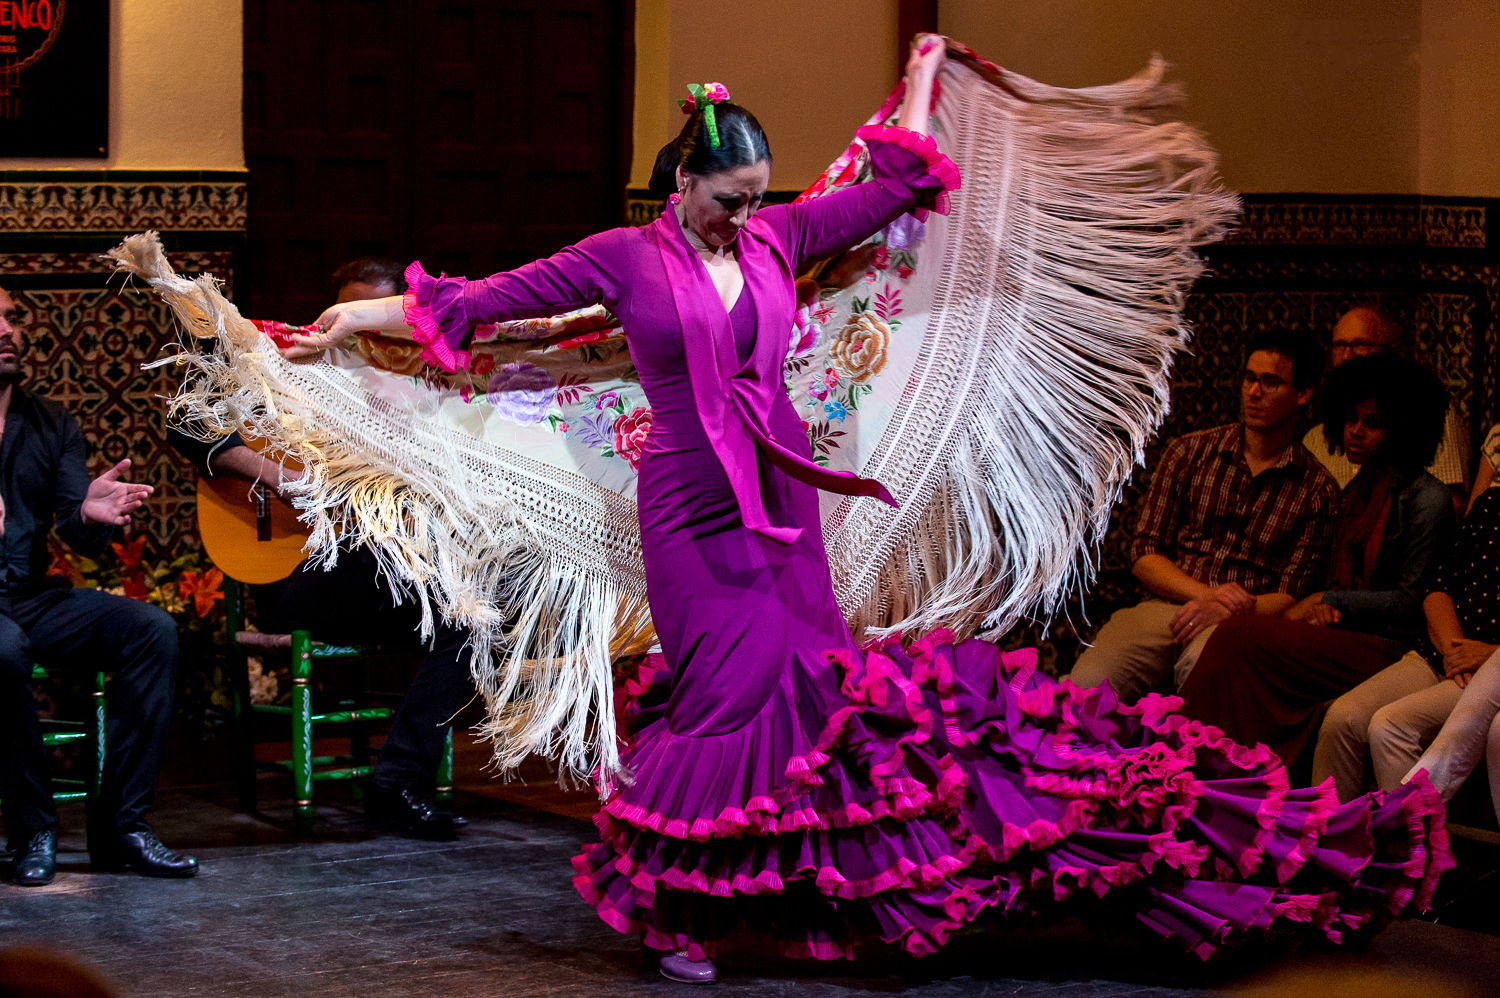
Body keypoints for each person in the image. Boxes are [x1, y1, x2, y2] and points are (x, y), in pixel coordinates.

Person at [283, 41, 1448, 979]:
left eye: (757, 198)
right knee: (731, 695)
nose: (746, 215)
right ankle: (682, 910)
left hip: (786, 495)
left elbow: (897, 189)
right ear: (681, 182)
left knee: (815, 692)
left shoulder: (784, 232)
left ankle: (813, 895)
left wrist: (938, 77)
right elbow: (483, 303)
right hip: (689, 505)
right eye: (726, 198)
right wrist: (350, 325)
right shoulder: (623, 257)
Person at [168, 258, 474, 839]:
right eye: (350, 320)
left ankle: (396, 780)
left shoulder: (424, 388)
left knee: (479, 619)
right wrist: (284, 480)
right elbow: (187, 422)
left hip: (381, 577)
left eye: (376, 324)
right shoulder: (288, 372)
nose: (362, 338)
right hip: (298, 577)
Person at [0, 285, 198, 885]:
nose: (6, 329)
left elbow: (74, 528)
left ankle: (123, 827)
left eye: (10, 317)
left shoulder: (51, 422)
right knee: (1, 649)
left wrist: (87, 514)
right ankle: (32, 826)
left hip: (26, 595)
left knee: (150, 630)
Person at [1179, 354, 1455, 782]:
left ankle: (1191, 767)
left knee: (1239, 634)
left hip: (1392, 646)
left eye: (1373, 422)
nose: (1355, 432)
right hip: (1343, 634)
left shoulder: (1427, 499)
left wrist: (1329, 599)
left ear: (1402, 428)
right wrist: (1323, 606)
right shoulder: (1354, 489)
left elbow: (1409, 603)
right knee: (1239, 639)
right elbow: (1334, 578)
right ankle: (1214, 773)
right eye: (1350, 418)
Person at [1068, 329, 1339, 704]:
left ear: (1303, 393)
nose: (1253, 392)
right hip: (1170, 605)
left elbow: (1290, 593)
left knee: (1202, 688)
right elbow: (1145, 555)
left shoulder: (1316, 489)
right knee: (1085, 690)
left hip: (1245, 625)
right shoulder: (1191, 452)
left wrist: (1228, 611)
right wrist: (1208, 596)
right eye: (1249, 378)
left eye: (1270, 382)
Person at [1311, 482, 1500, 808]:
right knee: (1341, 720)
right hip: (1444, 651)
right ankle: (1329, 845)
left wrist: (1487, 657)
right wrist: (1454, 651)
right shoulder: (1493, 504)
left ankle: (1412, 852)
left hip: (1492, 670)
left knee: (1390, 727)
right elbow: (1438, 588)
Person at [1303, 307, 1469, 509]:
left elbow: (1453, 506)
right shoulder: (1315, 438)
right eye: (1339, 345)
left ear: (1389, 351)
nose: (1347, 356)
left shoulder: (1428, 417)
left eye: (1360, 345)